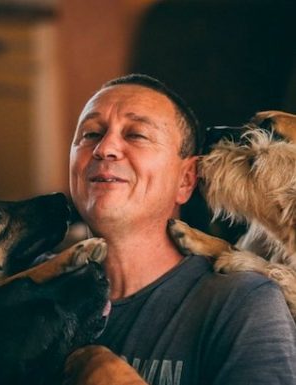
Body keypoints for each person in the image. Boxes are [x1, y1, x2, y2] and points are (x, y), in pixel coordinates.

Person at [68, 73, 296, 384]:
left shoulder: (245, 303)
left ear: (187, 179)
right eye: (91, 133)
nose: (104, 148)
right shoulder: (30, 284)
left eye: (136, 135)